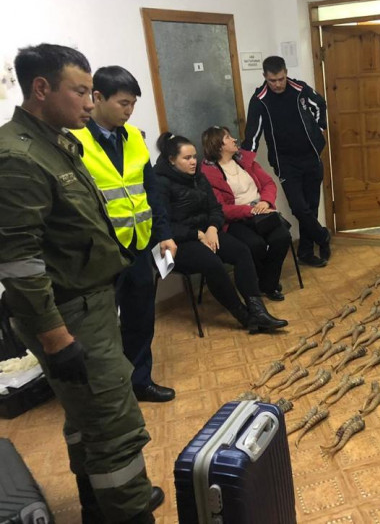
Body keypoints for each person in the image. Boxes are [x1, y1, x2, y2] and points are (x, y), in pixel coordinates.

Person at [0, 44, 162, 523]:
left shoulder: (55, 141)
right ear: (41, 88)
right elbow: (19, 262)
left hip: (89, 301)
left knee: (85, 416)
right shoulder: (19, 157)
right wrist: (56, 338)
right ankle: (129, 509)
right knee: (115, 424)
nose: (90, 103)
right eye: (81, 91)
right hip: (69, 314)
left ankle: (100, 504)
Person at [71, 66, 176, 403]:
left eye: (132, 104)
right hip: (99, 252)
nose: (129, 111)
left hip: (138, 244)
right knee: (100, 327)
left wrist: (164, 233)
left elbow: (151, 191)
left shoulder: (133, 138)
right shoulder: (74, 140)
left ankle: (139, 381)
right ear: (97, 97)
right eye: (123, 103)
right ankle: (105, 392)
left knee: (140, 318)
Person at [153, 131, 288, 332]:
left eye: (194, 157)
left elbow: (216, 208)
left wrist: (212, 228)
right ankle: (245, 317)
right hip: (176, 242)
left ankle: (258, 311)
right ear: (172, 160)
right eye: (187, 158)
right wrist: (197, 234)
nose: (193, 162)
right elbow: (161, 223)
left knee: (242, 251)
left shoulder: (198, 177)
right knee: (213, 263)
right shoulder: (159, 183)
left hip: (206, 232)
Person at [242, 55, 331, 268]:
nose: (278, 84)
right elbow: (252, 134)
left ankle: (306, 252)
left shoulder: (300, 89)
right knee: (299, 208)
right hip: (285, 163)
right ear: (265, 77)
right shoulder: (260, 100)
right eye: (272, 80)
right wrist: (245, 163)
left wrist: (319, 129)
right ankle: (322, 236)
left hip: (310, 156)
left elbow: (320, 104)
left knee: (311, 206)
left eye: (281, 79)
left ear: (286, 73)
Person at [201, 125, 291, 301]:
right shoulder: (209, 174)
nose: (234, 139)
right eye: (228, 138)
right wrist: (251, 210)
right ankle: (268, 284)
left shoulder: (246, 161)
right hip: (236, 219)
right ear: (217, 145)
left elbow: (268, 183)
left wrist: (265, 202)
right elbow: (221, 208)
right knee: (255, 245)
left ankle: (267, 284)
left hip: (262, 211)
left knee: (282, 237)